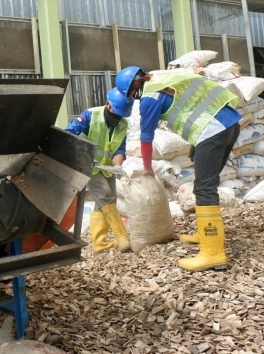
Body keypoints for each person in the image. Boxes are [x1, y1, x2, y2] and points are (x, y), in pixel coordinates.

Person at [115, 66, 241, 271]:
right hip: (229, 125)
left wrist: (147, 168)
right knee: (208, 183)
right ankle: (205, 232)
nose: (132, 97)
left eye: (130, 93)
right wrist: (195, 144)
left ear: (134, 87)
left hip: (212, 131)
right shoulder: (167, 79)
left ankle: (213, 253)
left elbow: (146, 139)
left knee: (204, 188)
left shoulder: (150, 96)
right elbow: (193, 105)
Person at [64, 87, 132, 254]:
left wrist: (118, 166)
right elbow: (68, 133)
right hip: (88, 165)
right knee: (105, 197)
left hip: (106, 167)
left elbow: (119, 149)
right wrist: (81, 153)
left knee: (109, 201)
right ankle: (122, 237)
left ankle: (99, 243)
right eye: (116, 113)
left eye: (121, 115)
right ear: (108, 104)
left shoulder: (123, 123)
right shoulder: (90, 116)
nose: (117, 118)